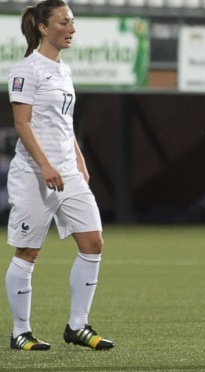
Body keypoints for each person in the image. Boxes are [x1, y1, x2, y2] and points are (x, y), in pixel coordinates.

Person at [6, 0, 114, 351]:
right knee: (28, 252)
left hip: (67, 170)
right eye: (65, 22)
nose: (72, 28)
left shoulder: (63, 70)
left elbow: (63, 124)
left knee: (93, 242)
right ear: (43, 27)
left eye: (73, 21)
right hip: (34, 173)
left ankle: (77, 327)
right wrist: (46, 166)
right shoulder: (27, 70)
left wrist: (78, 159)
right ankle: (20, 332)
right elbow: (22, 124)